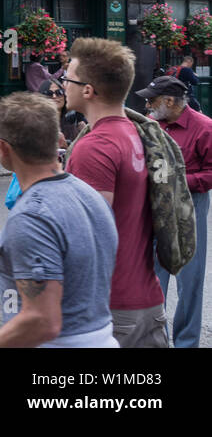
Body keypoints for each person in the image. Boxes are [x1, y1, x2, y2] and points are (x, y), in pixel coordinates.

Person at [0, 93, 119, 348]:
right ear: (57, 139)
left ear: (3, 148)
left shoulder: (31, 217)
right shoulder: (90, 196)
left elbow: (42, 321)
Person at [62, 38, 168, 348]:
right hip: (147, 298)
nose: (63, 85)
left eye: (68, 78)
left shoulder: (95, 147)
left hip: (111, 307)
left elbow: (89, 240)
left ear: (88, 90)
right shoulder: (136, 132)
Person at [137, 75, 212, 348]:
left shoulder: (205, 128)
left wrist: (180, 181)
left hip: (190, 206)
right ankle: (158, 340)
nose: (147, 105)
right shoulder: (151, 126)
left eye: (152, 100)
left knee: (190, 283)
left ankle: (186, 343)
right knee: (153, 279)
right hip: (154, 206)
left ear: (170, 101)